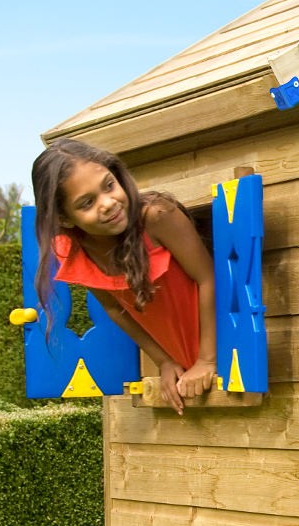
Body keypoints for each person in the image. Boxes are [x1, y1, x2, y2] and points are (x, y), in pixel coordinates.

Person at [31, 138, 217, 416]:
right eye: (86, 203)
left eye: (109, 185)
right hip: (187, 365)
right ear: (65, 219)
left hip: (226, 349)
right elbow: (114, 309)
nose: (108, 203)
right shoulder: (73, 251)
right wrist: (164, 361)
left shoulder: (157, 215)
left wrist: (207, 360)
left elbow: (209, 280)